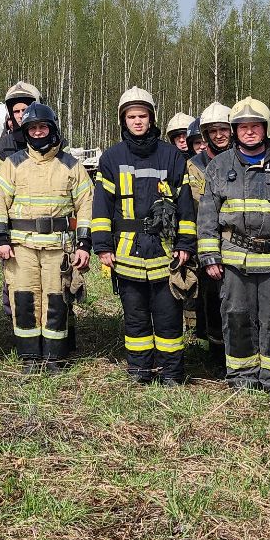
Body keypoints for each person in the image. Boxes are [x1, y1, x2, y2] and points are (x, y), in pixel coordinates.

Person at [196, 97, 270, 396]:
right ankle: (242, 378)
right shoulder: (219, 167)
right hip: (234, 262)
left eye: (255, 126)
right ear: (235, 131)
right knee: (236, 319)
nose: (249, 132)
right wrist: (210, 256)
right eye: (242, 127)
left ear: (265, 129)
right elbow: (208, 215)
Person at [93, 88, 197, 384]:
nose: (137, 122)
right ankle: (140, 371)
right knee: (135, 318)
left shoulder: (172, 156)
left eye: (142, 116)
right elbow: (102, 206)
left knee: (168, 318)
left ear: (152, 119)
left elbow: (186, 205)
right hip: (126, 253)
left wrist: (185, 244)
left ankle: (172, 374)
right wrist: (102, 245)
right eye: (131, 117)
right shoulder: (111, 158)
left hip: (166, 253)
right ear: (123, 120)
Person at [0, 102, 93, 373]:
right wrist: (0, 239)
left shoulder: (71, 165)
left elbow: (86, 205)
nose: (37, 132)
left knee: (56, 302)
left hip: (59, 248)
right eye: (32, 128)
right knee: (23, 301)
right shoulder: (13, 164)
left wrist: (84, 244)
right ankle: (29, 357)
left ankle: (55, 357)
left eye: (42, 127)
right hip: (21, 248)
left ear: (52, 128)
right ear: (25, 132)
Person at [184, 101, 234, 351]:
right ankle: (214, 348)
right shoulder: (193, 166)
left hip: (237, 240)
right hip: (205, 241)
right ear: (205, 135)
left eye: (223, 129)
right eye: (212, 131)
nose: (219, 135)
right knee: (210, 296)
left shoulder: (242, 158)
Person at [0, 81, 41, 162]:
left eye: (25, 110)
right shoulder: (3, 147)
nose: (21, 115)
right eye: (16, 111)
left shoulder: (57, 143)